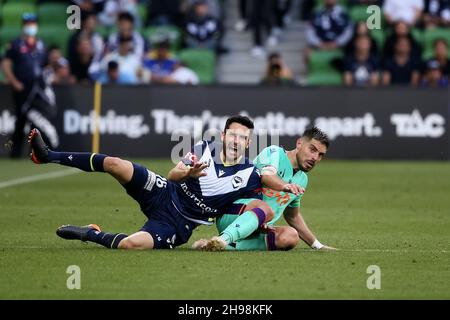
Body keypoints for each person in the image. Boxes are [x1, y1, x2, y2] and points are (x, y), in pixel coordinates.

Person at [28, 116, 288, 250]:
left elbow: (267, 184)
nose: (235, 140)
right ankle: (48, 155)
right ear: (223, 135)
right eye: (232, 134)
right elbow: (173, 174)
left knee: (131, 245)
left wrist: (287, 186)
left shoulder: (250, 174)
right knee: (115, 164)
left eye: (242, 138)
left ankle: (91, 233)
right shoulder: (204, 148)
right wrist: (187, 173)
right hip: (163, 191)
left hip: (178, 223)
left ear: (248, 143)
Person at [193, 127, 336, 251]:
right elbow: (267, 177)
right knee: (264, 208)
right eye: (312, 149)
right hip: (233, 214)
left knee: (291, 236)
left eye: (320, 155)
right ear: (299, 143)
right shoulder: (274, 153)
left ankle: (219, 245)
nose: (315, 157)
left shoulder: (302, 179)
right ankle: (224, 239)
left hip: (260, 226)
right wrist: (284, 186)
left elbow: (292, 216)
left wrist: (317, 245)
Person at [1, 13, 58, 158]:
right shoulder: (15, 44)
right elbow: (6, 64)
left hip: (37, 89)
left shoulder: (41, 45)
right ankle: (15, 152)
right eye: (28, 23)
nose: (30, 26)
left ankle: (34, 151)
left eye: (32, 23)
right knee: (21, 120)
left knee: (36, 121)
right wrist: (14, 81)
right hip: (22, 89)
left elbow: (45, 67)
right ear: (23, 25)